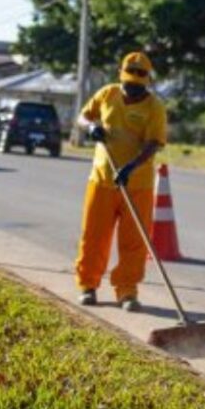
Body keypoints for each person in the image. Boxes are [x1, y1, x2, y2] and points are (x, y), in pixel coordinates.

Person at [73, 51, 168, 312]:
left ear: (146, 81)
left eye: (138, 85)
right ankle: (88, 285)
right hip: (101, 180)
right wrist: (90, 127)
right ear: (122, 77)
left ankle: (127, 291)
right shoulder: (107, 94)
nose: (132, 89)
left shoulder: (154, 107)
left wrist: (131, 167)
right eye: (128, 83)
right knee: (93, 236)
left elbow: (153, 144)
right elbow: (83, 117)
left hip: (137, 185)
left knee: (133, 242)